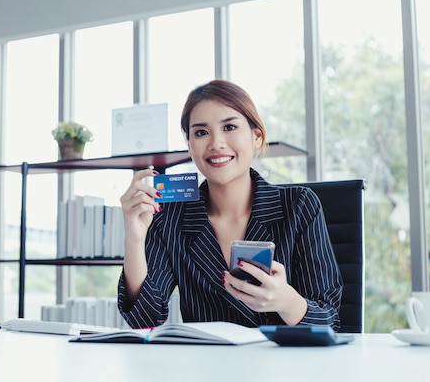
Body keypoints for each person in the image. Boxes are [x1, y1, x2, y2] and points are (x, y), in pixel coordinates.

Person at [117, 79, 342, 331]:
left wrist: (285, 301)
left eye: (230, 127)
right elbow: (144, 319)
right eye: (201, 132)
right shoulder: (171, 216)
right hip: (206, 365)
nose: (216, 143)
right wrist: (134, 240)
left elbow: (330, 320)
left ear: (256, 137)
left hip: (283, 366)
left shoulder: (299, 206)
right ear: (189, 146)